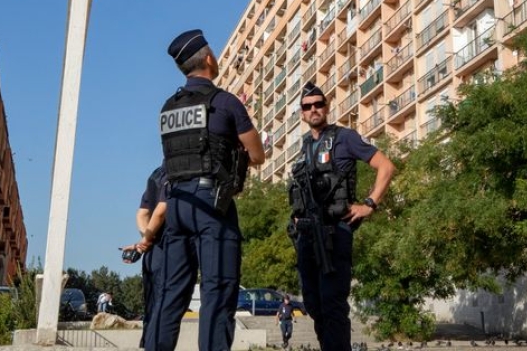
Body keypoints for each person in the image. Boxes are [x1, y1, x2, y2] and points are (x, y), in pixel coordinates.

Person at [146, 29, 264, 351]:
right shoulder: (225, 102)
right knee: (217, 289)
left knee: (170, 292)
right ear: (209, 59)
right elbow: (257, 155)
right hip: (212, 204)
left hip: (175, 204)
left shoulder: (168, 107)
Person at [289, 82, 395, 351]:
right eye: (307, 106)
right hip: (306, 234)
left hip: (335, 231)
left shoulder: (344, 137)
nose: (313, 109)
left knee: (332, 301)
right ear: (302, 113)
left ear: (326, 107)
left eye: (318, 104)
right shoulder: (303, 147)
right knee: (313, 303)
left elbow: (386, 166)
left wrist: (369, 204)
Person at [124, 165, 169, 350]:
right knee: (166, 302)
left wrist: (146, 239)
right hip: (171, 244)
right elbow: (160, 211)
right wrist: (147, 239)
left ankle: (148, 344)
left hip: (152, 251)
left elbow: (142, 213)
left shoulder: (155, 175)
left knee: (151, 303)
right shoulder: (180, 173)